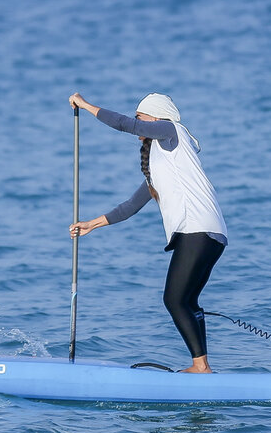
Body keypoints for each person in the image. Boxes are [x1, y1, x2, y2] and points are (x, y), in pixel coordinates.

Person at [68, 92, 228, 373]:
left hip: (197, 229)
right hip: (211, 233)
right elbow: (131, 205)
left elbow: (124, 124)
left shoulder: (171, 130)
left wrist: (85, 105)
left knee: (174, 299)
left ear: (156, 116)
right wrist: (91, 224)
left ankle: (200, 367)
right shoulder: (161, 164)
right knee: (187, 301)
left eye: (141, 117)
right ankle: (202, 366)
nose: (138, 126)